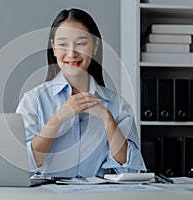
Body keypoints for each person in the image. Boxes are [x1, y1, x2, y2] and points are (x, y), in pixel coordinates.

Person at [16, 8, 146, 178]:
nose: (72, 53)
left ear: (95, 46)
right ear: (54, 48)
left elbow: (129, 169)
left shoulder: (117, 105)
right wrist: (58, 119)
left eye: (81, 43)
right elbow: (22, 165)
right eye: (63, 44)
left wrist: (107, 119)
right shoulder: (33, 101)